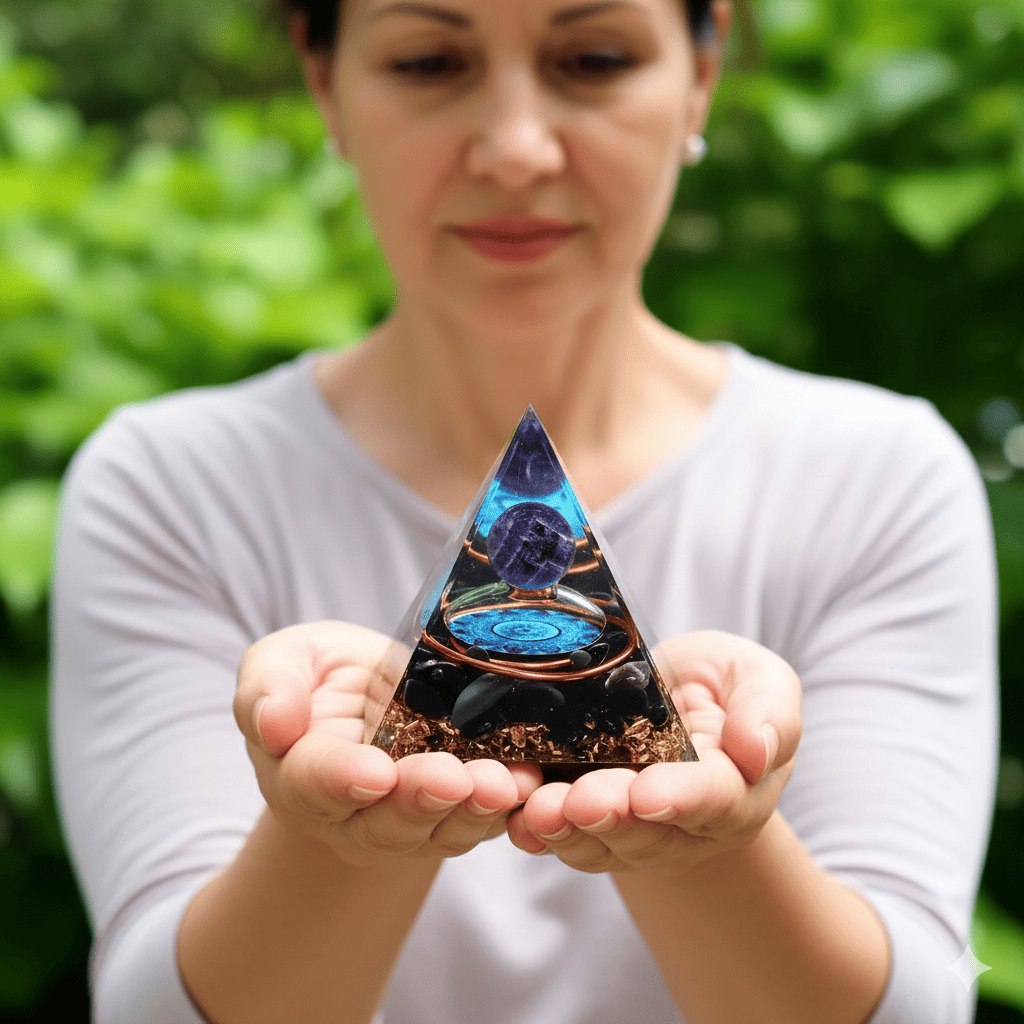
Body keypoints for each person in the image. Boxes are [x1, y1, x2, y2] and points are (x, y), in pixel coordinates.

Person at [49, 0, 998, 1022]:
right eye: (429, 61)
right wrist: (336, 834)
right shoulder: (169, 485)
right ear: (325, 83)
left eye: (593, 58)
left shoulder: (880, 477)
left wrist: (708, 846)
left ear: (699, 75)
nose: (515, 150)